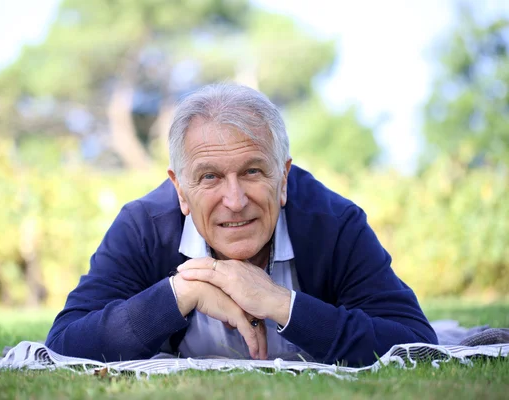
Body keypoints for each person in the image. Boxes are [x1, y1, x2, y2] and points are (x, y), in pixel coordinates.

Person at [45, 83, 437, 366]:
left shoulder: (335, 223)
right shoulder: (143, 226)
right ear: (180, 189)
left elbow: (415, 342)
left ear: (283, 179)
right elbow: (64, 344)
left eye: (252, 171)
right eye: (210, 177)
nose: (234, 201)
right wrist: (180, 294)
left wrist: (281, 304)